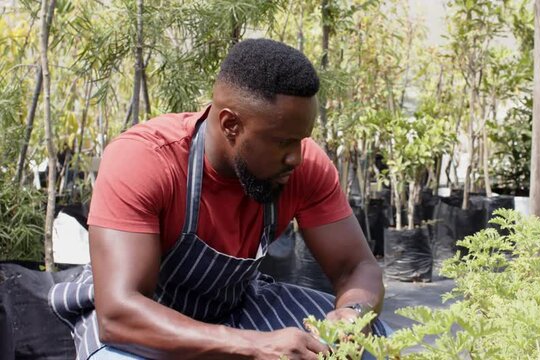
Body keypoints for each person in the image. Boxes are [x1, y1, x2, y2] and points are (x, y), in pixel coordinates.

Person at [49, 38, 388, 360]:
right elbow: (120, 313)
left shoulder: (304, 167)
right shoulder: (146, 160)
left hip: (233, 306)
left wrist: (351, 315)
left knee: (372, 343)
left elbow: (356, 267)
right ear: (230, 125)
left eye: (301, 140)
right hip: (143, 318)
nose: (296, 158)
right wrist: (254, 346)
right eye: (283, 142)